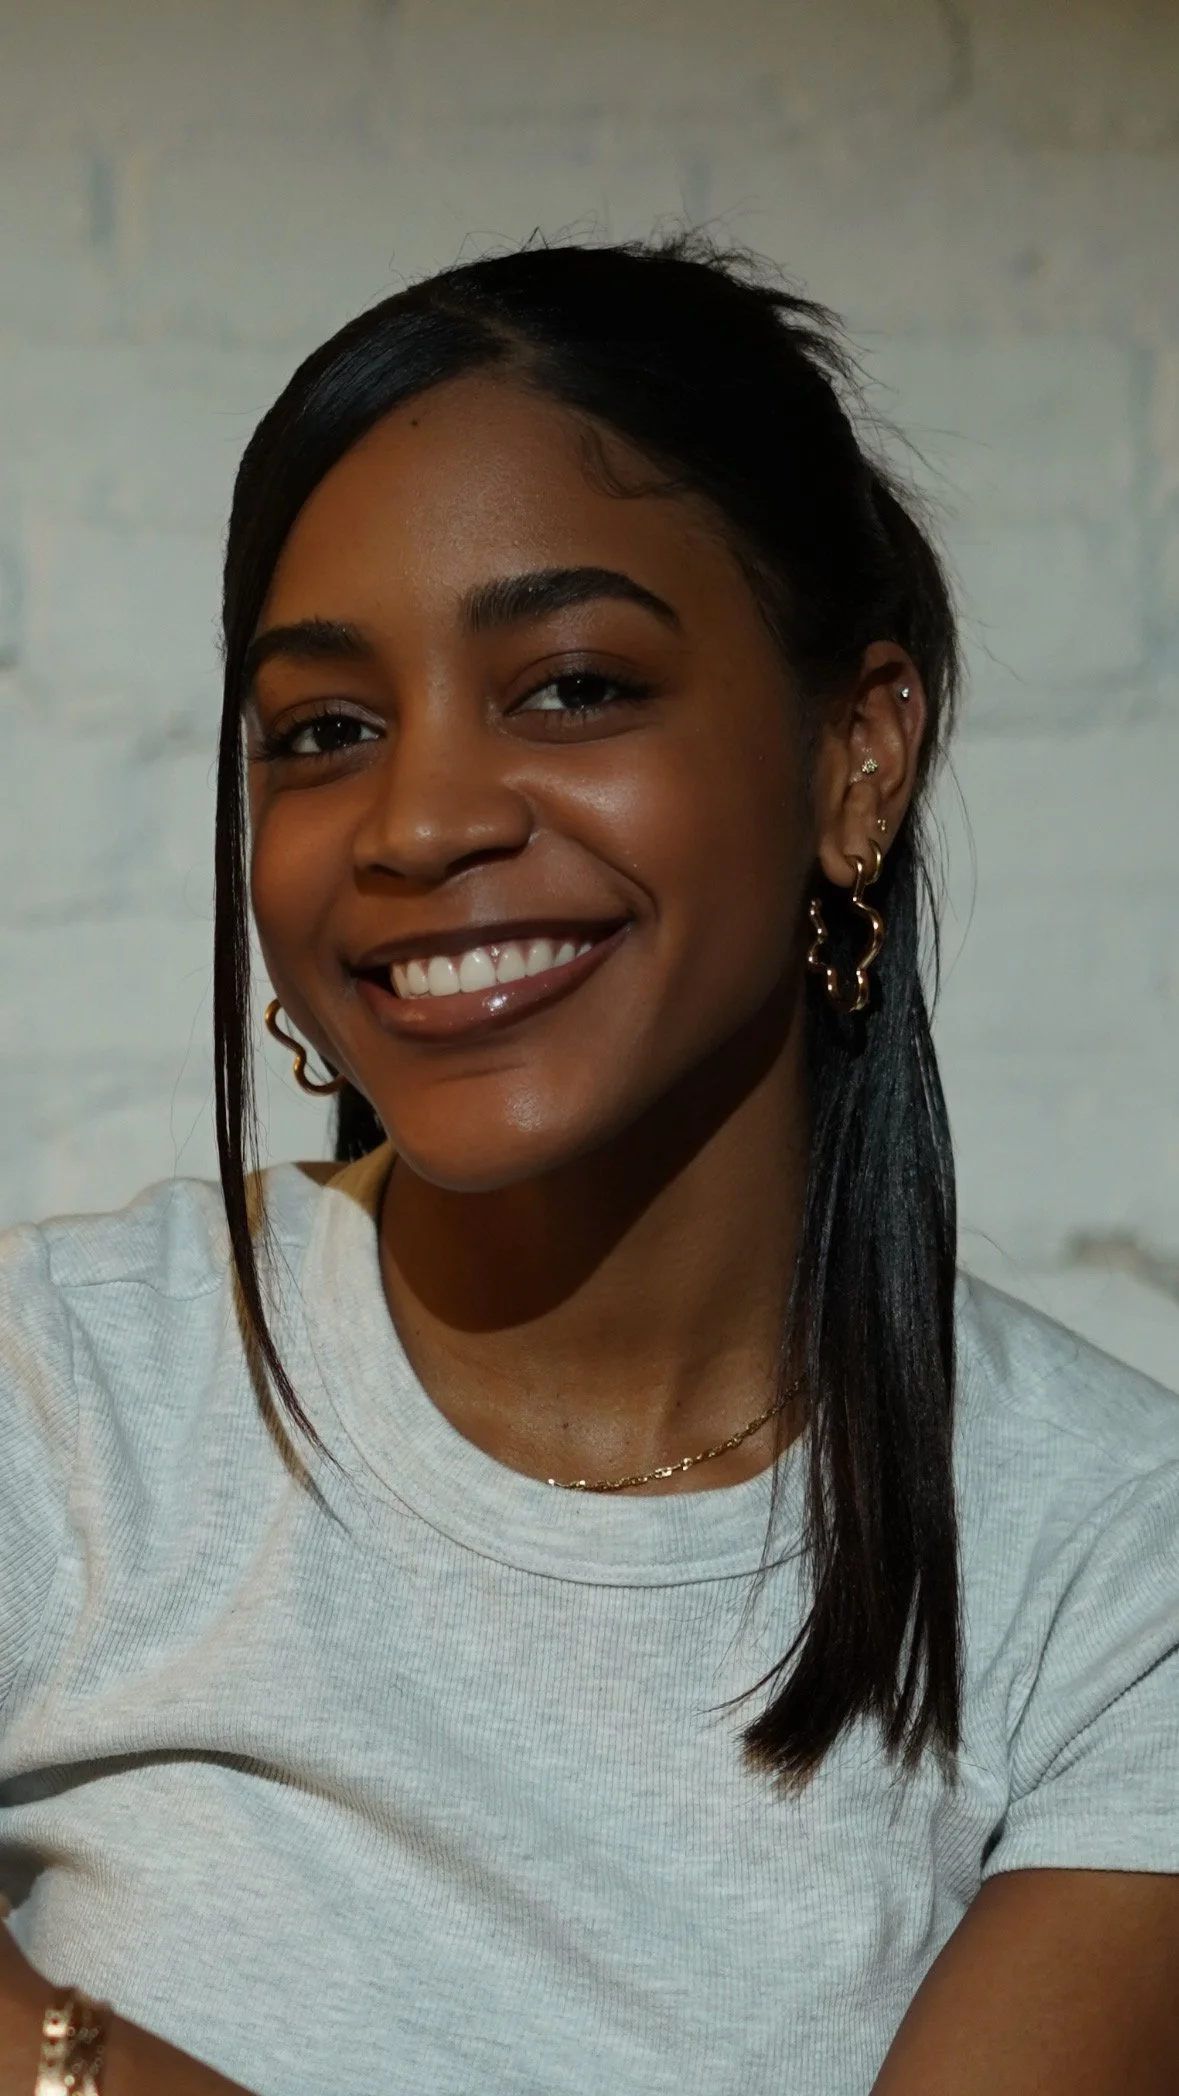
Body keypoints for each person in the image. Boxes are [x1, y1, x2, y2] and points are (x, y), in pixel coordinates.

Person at [1, 235, 1176, 2096]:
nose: (421, 819)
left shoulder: (1117, 1565)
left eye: (568, 688)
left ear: (854, 762)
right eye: (325, 730)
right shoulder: (64, 1391)